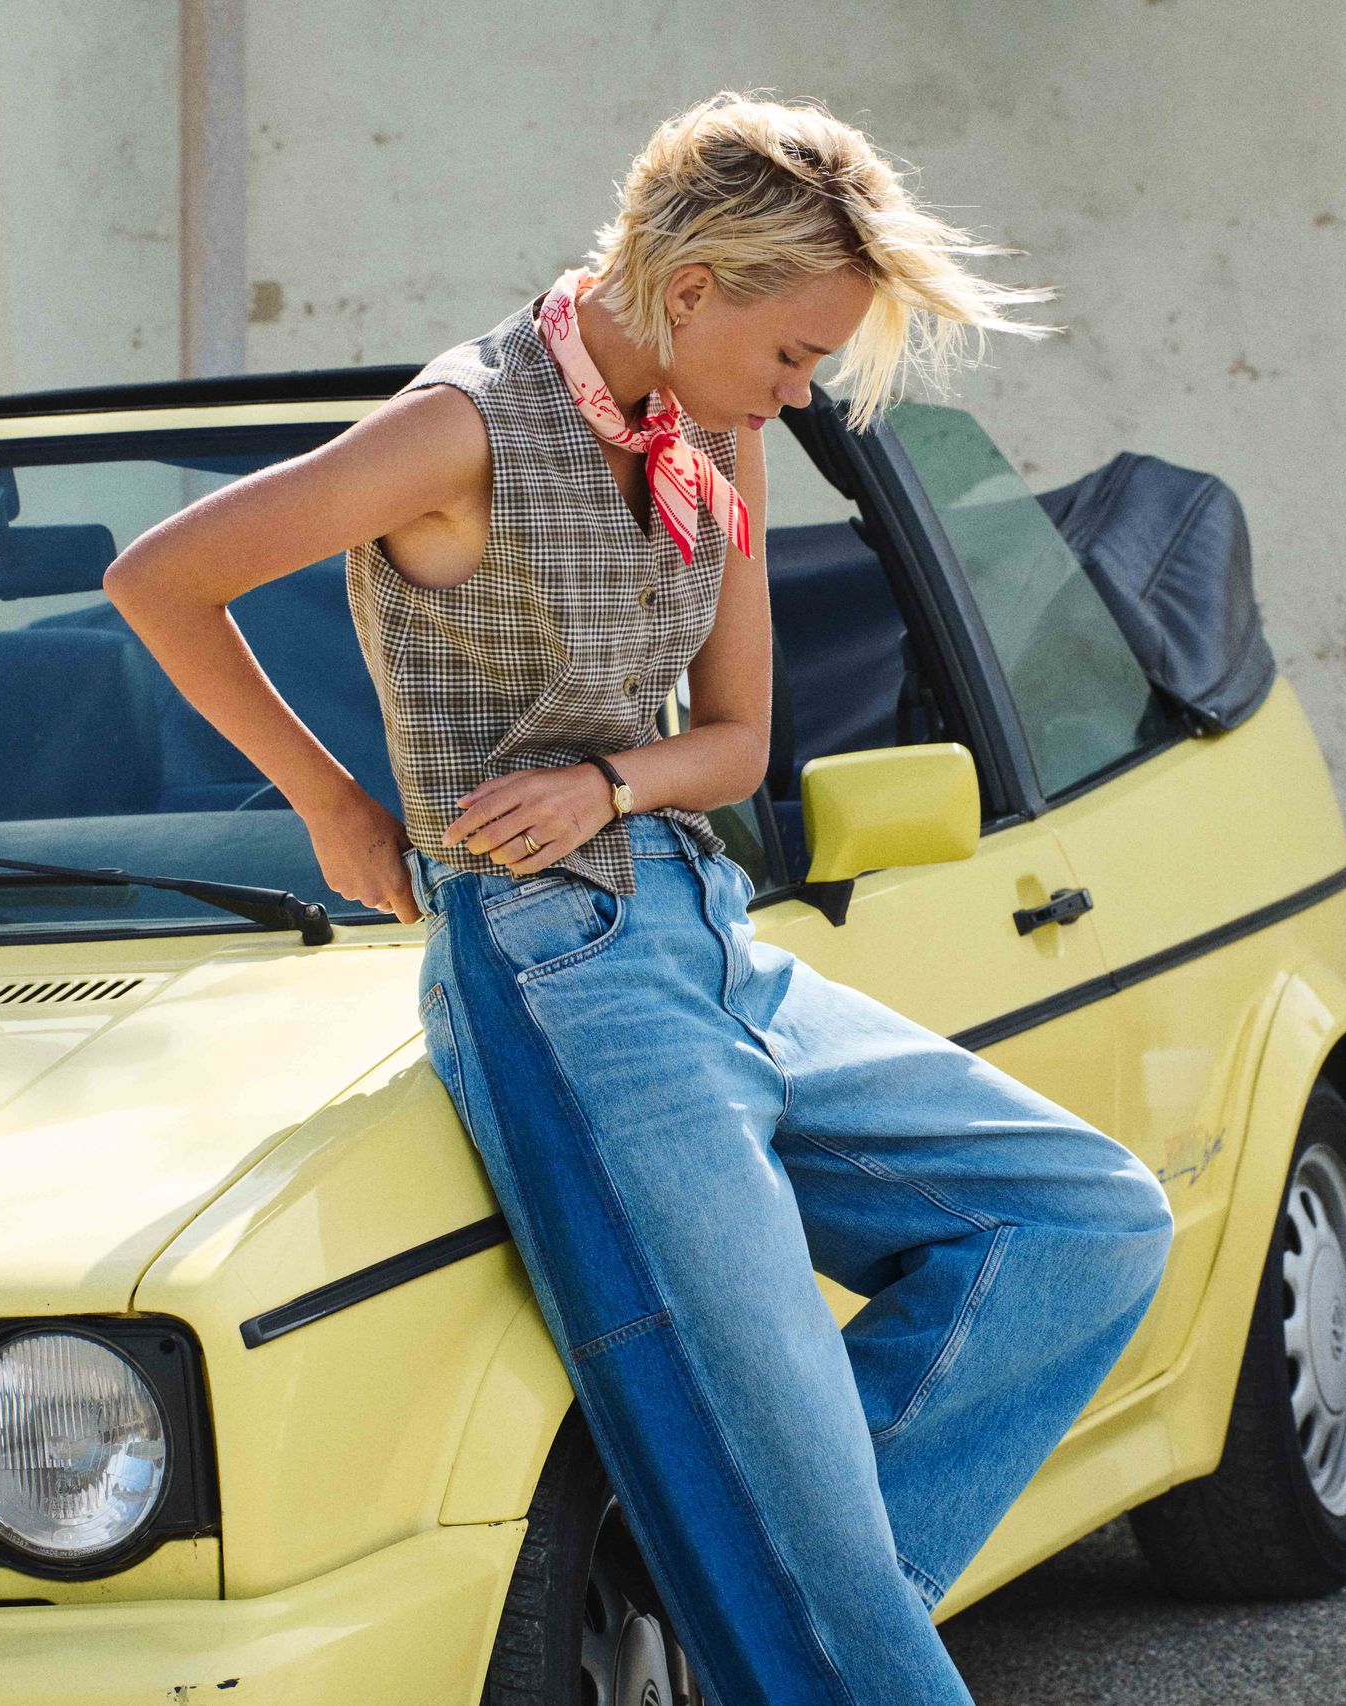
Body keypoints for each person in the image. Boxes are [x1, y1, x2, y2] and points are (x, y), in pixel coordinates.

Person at [105, 88, 1176, 1706]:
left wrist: (609, 782)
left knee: (1084, 1221)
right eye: (794, 352)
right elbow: (161, 578)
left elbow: (735, 742)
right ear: (690, 289)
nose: (802, 391)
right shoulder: (461, 427)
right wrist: (333, 802)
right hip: (561, 982)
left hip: (707, 933)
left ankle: (779, 1609)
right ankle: (798, 1613)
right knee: (805, 1545)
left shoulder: (715, 433)